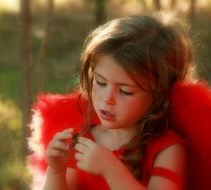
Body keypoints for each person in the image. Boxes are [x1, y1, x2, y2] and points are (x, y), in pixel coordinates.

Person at [28, 11, 211, 190]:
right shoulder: (85, 138)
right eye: (100, 82)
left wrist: (111, 170)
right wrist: (56, 170)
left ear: (158, 95)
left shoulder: (167, 149)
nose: (108, 99)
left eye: (125, 91)